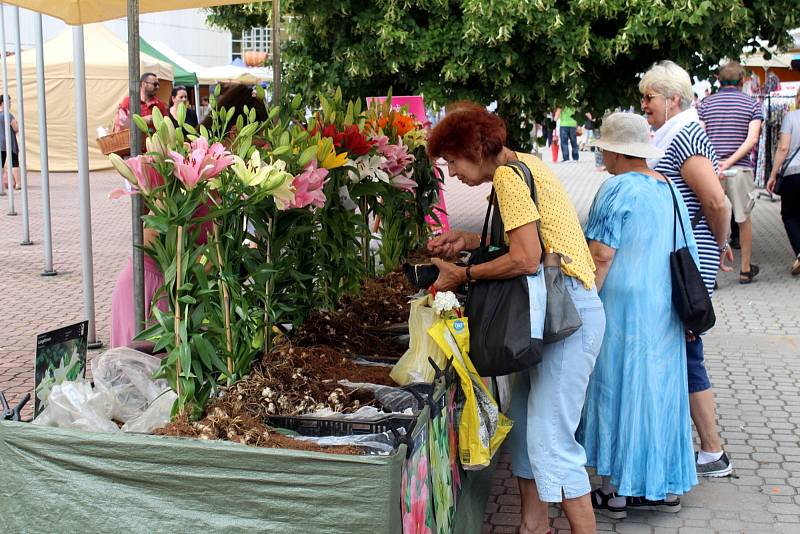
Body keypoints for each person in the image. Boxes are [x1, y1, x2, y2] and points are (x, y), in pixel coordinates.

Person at [426, 103, 605, 534]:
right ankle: (533, 525)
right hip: (558, 313)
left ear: (474, 149)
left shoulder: (507, 178)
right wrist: (469, 239)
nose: (452, 173)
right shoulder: (523, 163)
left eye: (452, 160)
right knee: (526, 427)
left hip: (567, 317)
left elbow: (525, 258)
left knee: (552, 442)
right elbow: (530, 236)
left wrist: (464, 273)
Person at [578, 113, 698, 519]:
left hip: (623, 308)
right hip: (665, 307)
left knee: (619, 390)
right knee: (660, 393)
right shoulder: (670, 189)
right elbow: (687, 251)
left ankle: (617, 492)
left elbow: (600, 255)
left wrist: (583, 304)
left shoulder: (616, 189)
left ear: (614, 151)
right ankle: (664, 488)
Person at [640, 60, 734, 478]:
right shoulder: (676, 134)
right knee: (685, 348)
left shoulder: (687, 137)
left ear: (673, 99)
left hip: (686, 261)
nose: (644, 106)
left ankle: (713, 451)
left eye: (650, 98)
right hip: (683, 256)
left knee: (688, 348)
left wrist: (721, 242)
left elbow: (716, 202)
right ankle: (709, 449)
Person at [698, 61, 763, 283]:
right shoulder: (752, 104)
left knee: (713, 218)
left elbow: (701, 136)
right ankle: (745, 269)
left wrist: (717, 162)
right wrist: (731, 161)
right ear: (743, 80)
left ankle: (712, 274)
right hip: (741, 168)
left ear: (718, 80)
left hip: (712, 169)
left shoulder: (705, 104)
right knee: (743, 218)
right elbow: (752, 139)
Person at [766, 86, 800, 275]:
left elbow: (784, 147)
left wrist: (773, 174)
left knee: (790, 215)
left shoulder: (791, 118)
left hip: (794, 173)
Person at [0, 95, 20, 190]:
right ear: (4, 103)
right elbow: (16, 128)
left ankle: (2, 185)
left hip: (0, 143)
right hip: (10, 142)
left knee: (1, 163)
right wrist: (17, 124)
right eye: (9, 102)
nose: (10, 104)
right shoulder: (8, 115)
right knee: (14, 163)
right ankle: (18, 184)